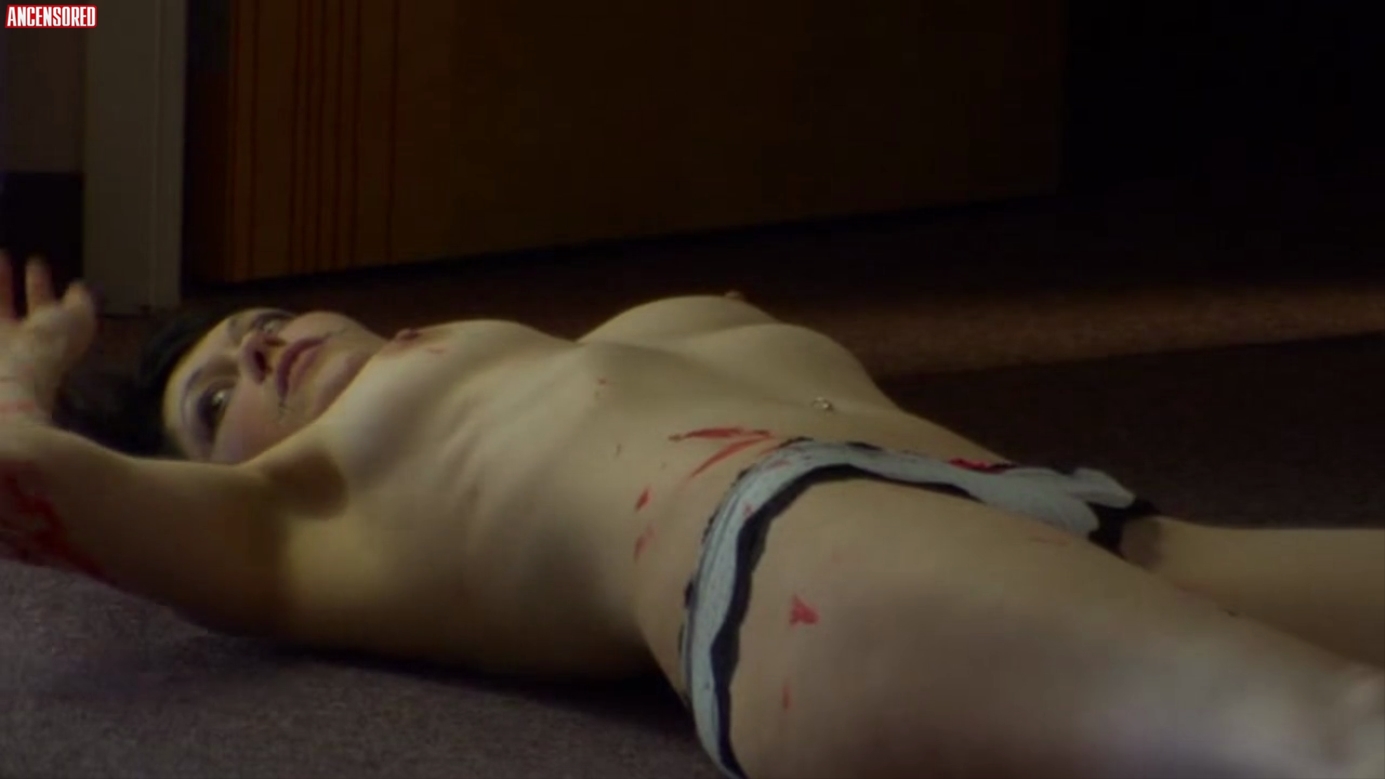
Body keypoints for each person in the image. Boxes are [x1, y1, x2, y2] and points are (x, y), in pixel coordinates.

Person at [2, 253, 1382, 779]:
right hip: (786, 548)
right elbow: (26, 479)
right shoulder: (287, 514)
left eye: (253, 324)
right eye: (218, 398)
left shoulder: (585, 344)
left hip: (1088, 520)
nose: (258, 353)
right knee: (1337, 737)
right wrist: (38, 358)